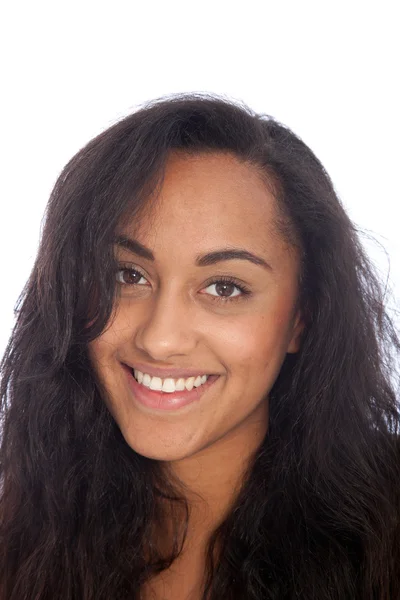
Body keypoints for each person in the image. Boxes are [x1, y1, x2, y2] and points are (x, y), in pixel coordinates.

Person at [0, 93, 399, 600]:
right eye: (128, 275)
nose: (160, 339)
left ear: (303, 317)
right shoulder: (24, 537)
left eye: (225, 288)